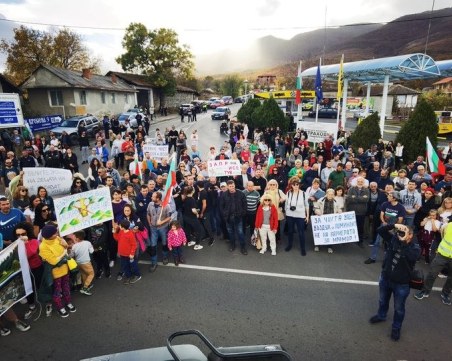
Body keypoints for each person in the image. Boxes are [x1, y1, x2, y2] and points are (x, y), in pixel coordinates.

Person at [368, 223, 420, 341]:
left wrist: (403, 241)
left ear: (410, 235)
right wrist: (394, 225)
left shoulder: (415, 247)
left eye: (404, 232)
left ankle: (396, 328)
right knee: (382, 300)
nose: (400, 234)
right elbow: (380, 230)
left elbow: (413, 257)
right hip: (386, 278)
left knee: (399, 308)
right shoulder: (393, 239)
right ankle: (381, 316)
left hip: (401, 284)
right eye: (399, 232)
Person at [38, 224, 76, 318]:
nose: (57, 234)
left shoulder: (57, 238)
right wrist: (64, 253)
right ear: (48, 236)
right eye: (55, 233)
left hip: (65, 270)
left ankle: (68, 302)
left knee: (66, 287)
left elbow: (66, 247)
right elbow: (54, 261)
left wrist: (64, 244)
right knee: (57, 291)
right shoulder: (43, 246)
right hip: (55, 273)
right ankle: (60, 307)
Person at [414, 220, 452, 305]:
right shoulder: (448, 225)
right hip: (442, 255)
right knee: (432, 273)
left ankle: (445, 294)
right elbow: (442, 235)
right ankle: (425, 291)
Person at [14, 222, 43, 320]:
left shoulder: (34, 241)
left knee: (39, 284)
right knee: (28, 288)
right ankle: (31, 306)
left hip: (36, 267)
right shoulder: (16, 245)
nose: (20, 237)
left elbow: (31, 253)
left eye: (23, 234)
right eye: (18, 235)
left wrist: (26, 243)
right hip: (25, 270)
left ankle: (46, 300)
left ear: (28, 233)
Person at [219, 180, 248, 255]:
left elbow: (245, 204)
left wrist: (242, 213)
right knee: (230, 232)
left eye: (232, 186)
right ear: (227, 187)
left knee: (240, 232)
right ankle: (232, 245)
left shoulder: (241, 194)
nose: (231, 187)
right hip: (228, 218)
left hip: (238, 217)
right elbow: (221, 206)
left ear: (234, 185)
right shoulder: (224, 195)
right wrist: (224, 215)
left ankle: (243, 247)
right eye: (230, 186)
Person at [146, 191, 172, 273]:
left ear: (158, 198)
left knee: (164, 243)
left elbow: (169, 217)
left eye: (153, 197)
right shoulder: (150, 204)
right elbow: (148, 214)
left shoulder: (166, 206)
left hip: (163, 228)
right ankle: (154, 263)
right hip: (153, 228)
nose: (151, 198)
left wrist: (161, 222)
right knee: (153, 245)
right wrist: (149, 223)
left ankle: (165, 257)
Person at [284, 177, 310, 256]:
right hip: (290, 215)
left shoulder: (303, 194)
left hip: (300, 216)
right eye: (294, 185)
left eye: (297, 185)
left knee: (301, 232)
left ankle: (303, 248)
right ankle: (289, 245)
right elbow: (286, 203)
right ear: (291, 185)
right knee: (290, 231)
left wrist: (307, 216)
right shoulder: (288, 193)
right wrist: (286, 212)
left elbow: (307, 205)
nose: (295, 186)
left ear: (299, 185)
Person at [112, 219, 142, 285]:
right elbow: (117, 238)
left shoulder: (130, 234)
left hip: (129, 255)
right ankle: (128, 276)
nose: (119, 226)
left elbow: (134, 245)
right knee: (125, 266)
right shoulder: (121, 232)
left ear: (123, 227)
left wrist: (132, 253)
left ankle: (137, 275)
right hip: (122, 254)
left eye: (120, 225)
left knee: (133, 265)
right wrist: (114, 232)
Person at [71, 230, 95, 296]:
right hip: (86, 262)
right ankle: (84, 288)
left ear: (77, 238)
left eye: (74, 236)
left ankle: (86, 285)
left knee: (84, 274)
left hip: (78, 263)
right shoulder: (87, 243)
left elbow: (72, 255)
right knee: (91, 274)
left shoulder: (74, 246)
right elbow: (92, 251)